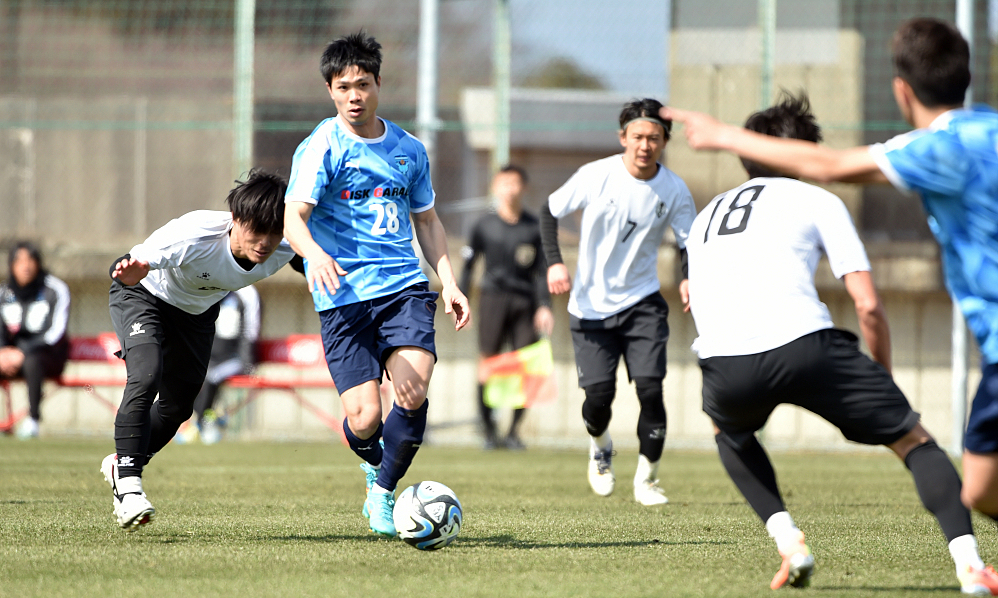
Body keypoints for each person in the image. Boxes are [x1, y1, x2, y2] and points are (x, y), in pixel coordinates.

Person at [663, 16, 998, 538]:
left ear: (902, 91)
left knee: (729, 430)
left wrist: (725, 135)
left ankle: (787, 538)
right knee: (974, 486)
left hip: (726, 361)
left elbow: (831, 165)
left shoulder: (934, 149)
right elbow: (864, 294)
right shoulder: (988, 129)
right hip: (818, 345)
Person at [283, 32, 470, 539]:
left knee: (413, 387)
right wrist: (315, 254)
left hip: (403, 287)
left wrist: (449, 283)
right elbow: (293, 218)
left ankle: (384, 491)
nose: (354, 96)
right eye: (343, 87)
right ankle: (373, 461)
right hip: (342, 296)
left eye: (362, 84)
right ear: (330, 90)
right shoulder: (322, 146)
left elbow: (427, 221)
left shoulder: (408, 150)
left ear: (378, 84)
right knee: (365, 418)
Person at [99, 169, 298, 531]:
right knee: (146, 373)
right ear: (236, 219)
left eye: (275, 232)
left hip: (196, 314)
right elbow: (131, 265)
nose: (265, 242)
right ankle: (129, 487)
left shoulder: (286, 246)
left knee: (178, 408)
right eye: (257, 230)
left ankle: (122, 461)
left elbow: (321, 262)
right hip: (144, 296)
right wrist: (129, 270)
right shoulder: (196, 233)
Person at [540, 98, 696, 506]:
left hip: (643, 303)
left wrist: (688, 278)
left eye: (654, 138)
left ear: (665, 142)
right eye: (638, 136)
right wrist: (555, 263)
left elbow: (689, 243)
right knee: (598, 399)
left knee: (650, 389)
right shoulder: (596, 175)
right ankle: (600, 446)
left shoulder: (675, 190)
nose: (645, 145)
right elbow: (549, 211)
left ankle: (647, 481)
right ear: (623, 137)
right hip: (589, 308)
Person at [459, 164, 554, 450]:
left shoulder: (534, 226)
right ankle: (489, 431)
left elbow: (543, 271)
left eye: (515, 184)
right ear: (495, 187)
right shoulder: (483, 226)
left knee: (525, 366)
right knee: (488, 363)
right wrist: (461, 299)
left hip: (525, 302)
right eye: (504, 183)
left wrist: (544, 305)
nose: (510, 190)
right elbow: (468, 266)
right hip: (492, 299)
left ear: (524, 188)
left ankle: (513, 431)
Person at [0, 241, 70, 439]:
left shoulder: (55, 289)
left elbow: (56, 332)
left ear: (38, 263)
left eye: (30, 260)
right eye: (19, 261)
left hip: (48, 356)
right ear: (11, 265)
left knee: (33, 361)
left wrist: (23, 353)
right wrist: (2, 352)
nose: (25, 266)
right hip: (11, 358)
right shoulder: (4, 292)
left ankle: (33, 421)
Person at [185, 284, 261, 444]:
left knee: (213, 376)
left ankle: (202, 422)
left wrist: (247, 362)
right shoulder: (217, 286)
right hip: (213, 358)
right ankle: (205, 418)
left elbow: (251, 330)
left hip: (236, 359)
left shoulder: (247, 293)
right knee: (193, 374)